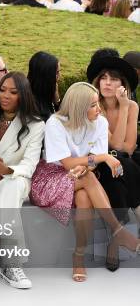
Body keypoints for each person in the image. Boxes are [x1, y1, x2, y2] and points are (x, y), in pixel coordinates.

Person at [30, 82, 140, 281]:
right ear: (78, 108)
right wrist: (101, 159)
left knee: (84, 198)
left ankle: (78, 256)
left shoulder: (100, 122)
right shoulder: (55, 123)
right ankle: (117, 230)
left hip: (81, 176)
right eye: (93, 105)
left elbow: (92, 158)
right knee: (88, 179)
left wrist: (87, 166)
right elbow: (67, 163)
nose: (99, 109)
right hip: (50, 178)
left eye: (98, 104)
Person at [0, 72, 45, 289]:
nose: (5, 96)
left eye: (13, 92)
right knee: (7, 195)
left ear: (23, 95)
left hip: (17, 179)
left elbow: (30, 165)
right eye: (2, 90)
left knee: (11, 185)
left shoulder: (35, 125)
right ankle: (11, 266)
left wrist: (8, 170)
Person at [87, 56, 140, 232]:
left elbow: (130, 147)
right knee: (123, 166)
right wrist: (123, 108)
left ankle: (116, 243)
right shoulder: (95, 107)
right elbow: (117, 145)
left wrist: (125, 106)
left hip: (122, 164)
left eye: (114, 79)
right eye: (104, 78)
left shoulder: (132, 106)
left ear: (123, 84)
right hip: (97, 162)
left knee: (122, 170)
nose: (107, 83)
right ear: (98, 81)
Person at [27, 51, 60, 121]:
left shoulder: (44, 96)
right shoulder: (36, 109)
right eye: (57, 73)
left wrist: (57, 101)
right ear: (46, 76)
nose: (59, 76)